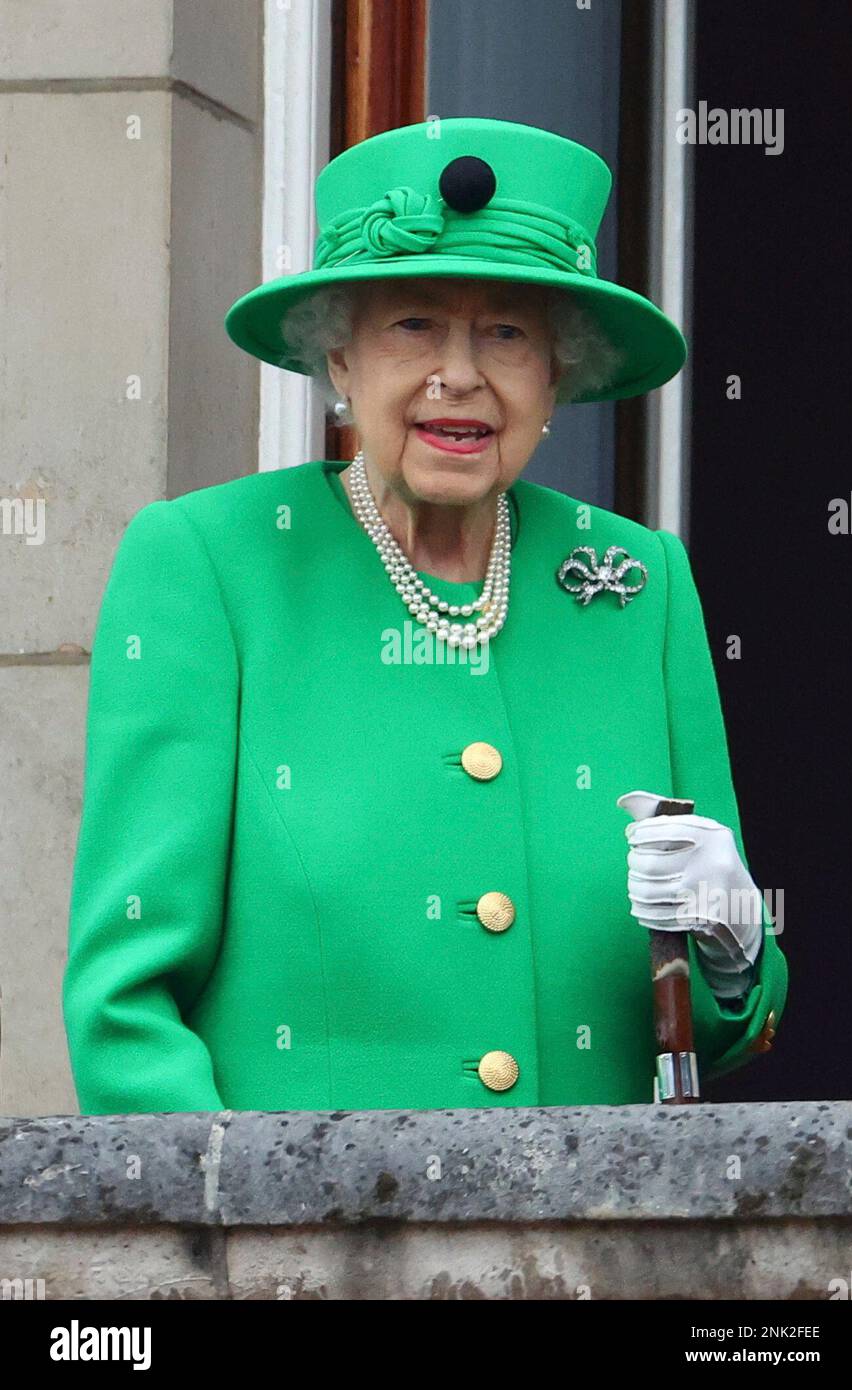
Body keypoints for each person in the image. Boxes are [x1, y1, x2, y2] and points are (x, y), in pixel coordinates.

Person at [63, 117, 787, 1113]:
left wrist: (734, 945)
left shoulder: (637, 583)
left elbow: (716, 1026)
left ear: (555, 375)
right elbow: (124, 1008)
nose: (462, 373)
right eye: (413, 324)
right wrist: (244, 1242)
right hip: (308, 1258)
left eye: (507, 332)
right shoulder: (210, 564)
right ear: (341, 361)